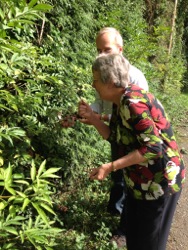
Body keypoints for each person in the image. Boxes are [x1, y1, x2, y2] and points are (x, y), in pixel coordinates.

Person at [78, 53, 185, 250]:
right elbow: (116, 136)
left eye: (95, 80)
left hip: (159, 181)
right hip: (140, 181)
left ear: (109, 81)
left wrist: (110, 166)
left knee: (149, 243)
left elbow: (153, 148)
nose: (93, 85)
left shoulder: (132, 102)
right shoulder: (121, 101)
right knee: (135, 238)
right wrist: (94, 119)